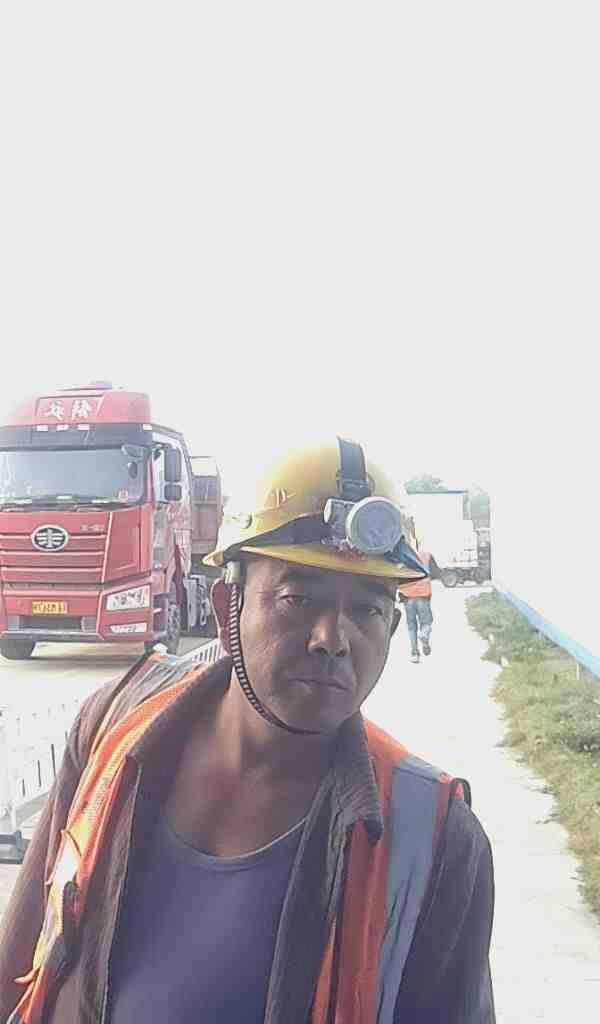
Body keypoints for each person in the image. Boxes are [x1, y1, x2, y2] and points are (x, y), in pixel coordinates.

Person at [0, 438, 495, 1024]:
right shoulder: (116, 722)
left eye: (367, 609)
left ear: (392, 626)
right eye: (297, 597)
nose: (332, 639)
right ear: (225, 606)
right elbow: (21, 953)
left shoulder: (434, 837)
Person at [398, 546, 443, 663]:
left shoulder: (401, 555)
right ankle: (424, 635)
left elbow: (397, 575)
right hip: (423, 595)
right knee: (426, 622)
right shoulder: (426, 555)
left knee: (411, 626)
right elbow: (436, 573)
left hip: (407, 596)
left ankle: (414, 654)